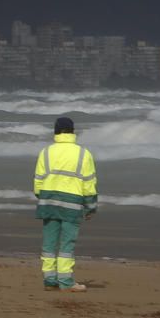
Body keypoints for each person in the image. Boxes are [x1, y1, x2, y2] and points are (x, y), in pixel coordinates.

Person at [33, 116, 98, 292]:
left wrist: (42, 197)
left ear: (55, 131)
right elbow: (89, 183)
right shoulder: (83, 154)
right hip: (72, 202)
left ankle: (49, 280)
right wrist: (91, 206)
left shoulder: (46, 152)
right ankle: (66, 281)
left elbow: (38, 181)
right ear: (73, 132)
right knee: (67, 244)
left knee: (48, 243)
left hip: (48, 201)